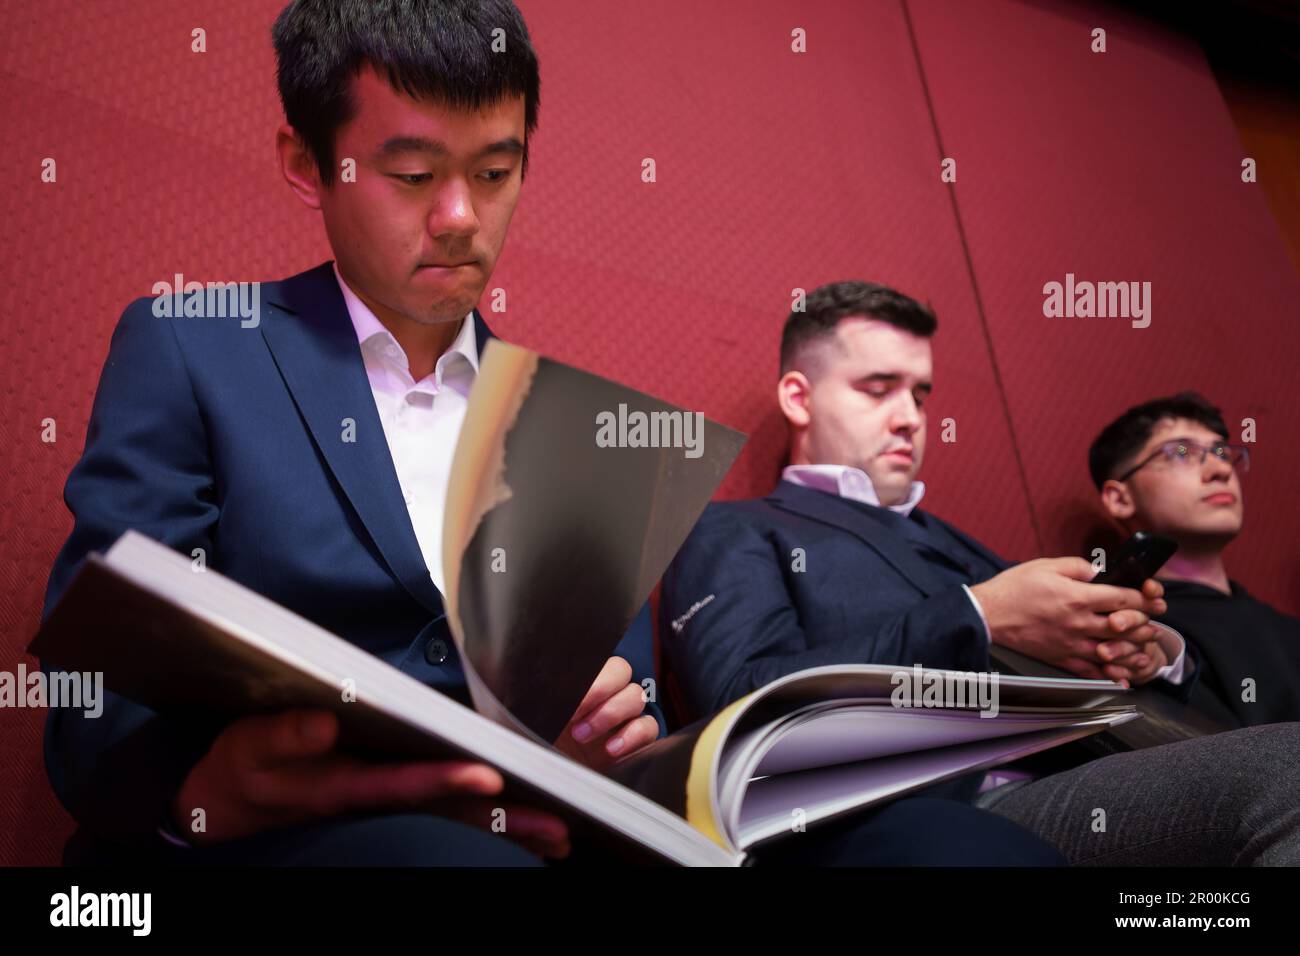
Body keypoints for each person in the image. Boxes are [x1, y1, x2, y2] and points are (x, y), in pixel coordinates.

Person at [40, 2, 1059, 867]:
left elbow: (622, 722)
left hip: (546, 838)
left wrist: (608, 737)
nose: (460, 219)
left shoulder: (588, 433)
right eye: (408, 175)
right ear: (307, 165)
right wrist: (198, 793)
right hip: (304, 840)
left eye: (495, 172)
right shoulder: (192, 347)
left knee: (952, 845)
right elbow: (99, 701)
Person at [661, 280, 1300, 865]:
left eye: (920, 393)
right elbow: (738, 707)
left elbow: (1065, 664)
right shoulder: (733, 528)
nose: (910, 416)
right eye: (878, 388)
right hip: (943, 806)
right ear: (798, 398)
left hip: (1096, 768)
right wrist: (978, 616)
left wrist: (1143, 649)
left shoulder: (956, 541)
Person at [1089, 392, 1300, 727]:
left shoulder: (1286, 629)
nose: (1220, 469)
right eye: (1182, 452)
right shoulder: (1129, 630)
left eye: (1221, 452)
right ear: (1119, 498)